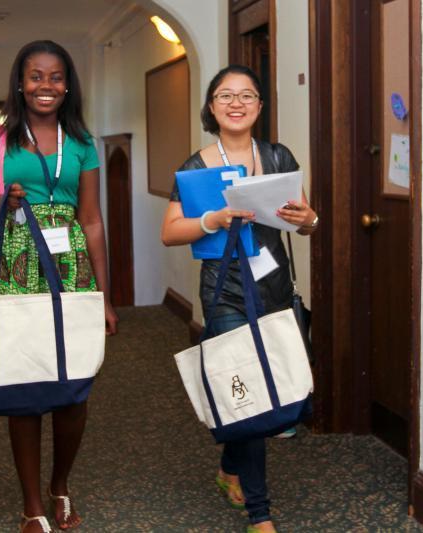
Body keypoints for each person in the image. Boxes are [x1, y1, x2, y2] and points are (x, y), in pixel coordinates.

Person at [0, 40, 118, 533]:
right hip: (15, 264)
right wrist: (3, 200)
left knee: (74, 391)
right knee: (23, 385)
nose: (45, 86)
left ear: (67, 85)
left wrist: (103, 295)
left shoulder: (81, 142)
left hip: (71, 268)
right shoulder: (0, 139)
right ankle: (32, 505)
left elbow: (91, 220)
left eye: (54, 77)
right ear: (20, 82)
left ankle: (60, 485)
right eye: (35, 76)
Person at [160, 65, 318, 533]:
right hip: (225, 291)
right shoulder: (195, 166)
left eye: (247, 95)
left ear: (259, 107)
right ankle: (260, 514)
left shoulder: (276, 155)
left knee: (265, 387)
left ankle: (230, 467)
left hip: (272, 286)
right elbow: (170, 232)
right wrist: (214, 219)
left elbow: (305, 223)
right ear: (211, 106)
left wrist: (310, 218)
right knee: (250, 397)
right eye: (225, 95)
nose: (236, 103)